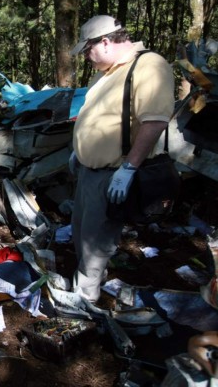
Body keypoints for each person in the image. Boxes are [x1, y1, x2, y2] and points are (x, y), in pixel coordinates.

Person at [69, 15, 175, 302]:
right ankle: (93, 281)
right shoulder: (106, 72)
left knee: (96, 240)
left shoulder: (148, 65)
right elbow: (96, 117)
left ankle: (85, 299)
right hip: (89, 170)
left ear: (104, 42)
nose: (86, 57)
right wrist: (78, 151)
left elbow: (154, 121)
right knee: (80, 230)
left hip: (113, 172)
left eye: (87, 49)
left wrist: (129, 168)